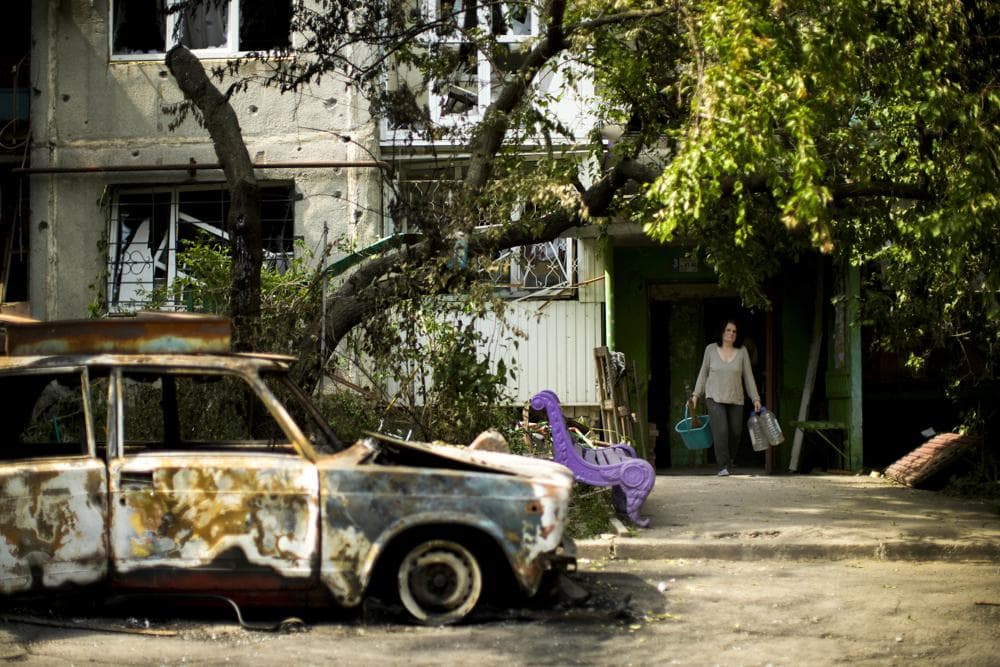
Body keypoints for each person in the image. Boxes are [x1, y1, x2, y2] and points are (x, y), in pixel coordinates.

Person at [691, 319, 761, 476]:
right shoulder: (710, 349)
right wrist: (696, 395)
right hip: (714, 397)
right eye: (728, 330)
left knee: (736, 432)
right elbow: (703, 373)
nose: (731, 334)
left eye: (734, 331)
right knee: (721, 431)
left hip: (736, 398)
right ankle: (723, 466)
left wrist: (755, 398)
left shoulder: (742, 351)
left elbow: (748, 377)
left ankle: (729, 461)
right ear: (722, 332)